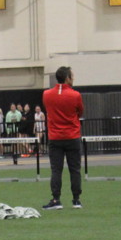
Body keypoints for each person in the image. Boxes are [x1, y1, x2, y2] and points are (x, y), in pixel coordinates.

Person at [42, 66, 85, 210]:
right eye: (72, 76)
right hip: (72, 136)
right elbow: (80, 112)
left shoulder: (46, 94)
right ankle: (76, 200)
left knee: (56, 170)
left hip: (55, 137)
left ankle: (56, 199)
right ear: (67, 78)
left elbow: (49, 110)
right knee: (75, 169)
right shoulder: (75, 95)